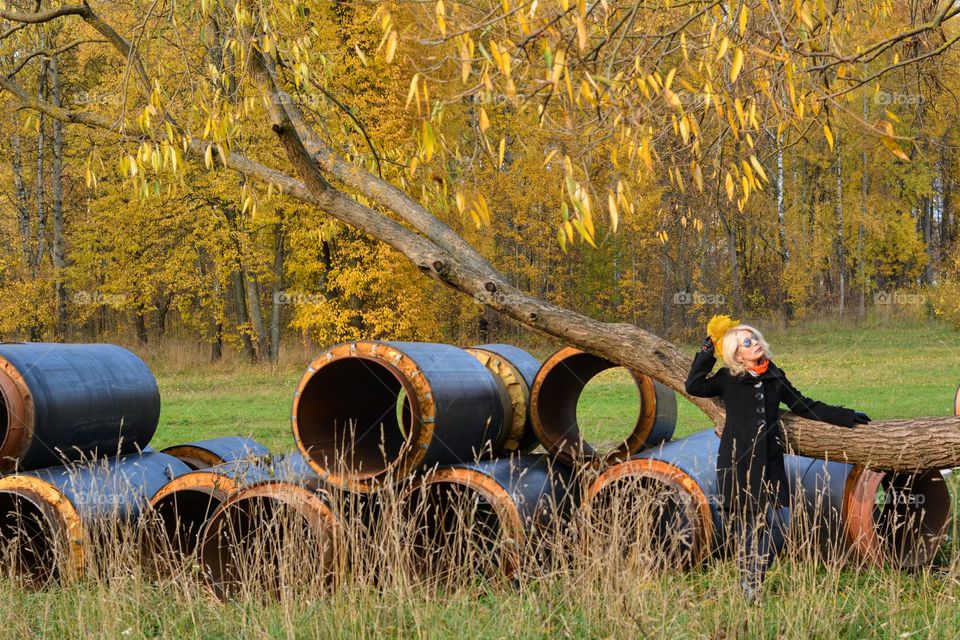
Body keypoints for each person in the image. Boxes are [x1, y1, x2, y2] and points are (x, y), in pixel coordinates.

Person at [684, 317, 871, 603]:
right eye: (747, 341)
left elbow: (803, 404)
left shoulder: (774, 375)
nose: (755, 343)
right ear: (737, 353)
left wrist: (846, 416)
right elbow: (694, 385)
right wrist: (706, 350)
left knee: (781, 523)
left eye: (756, 338)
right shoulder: (726, 378)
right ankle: (749, 588)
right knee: (748, 528)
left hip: (771, 463)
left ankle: (752, 578)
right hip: (738, 463)